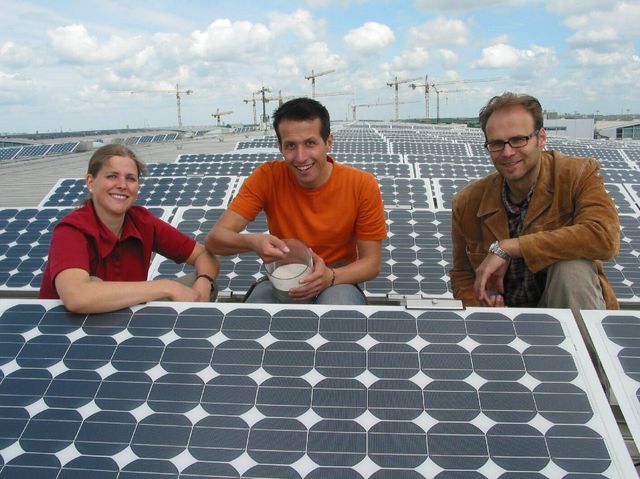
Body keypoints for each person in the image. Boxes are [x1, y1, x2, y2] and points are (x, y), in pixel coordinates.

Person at [205, 97, 387, 304]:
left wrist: (329, 277)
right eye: (291, 146)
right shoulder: (267, 177)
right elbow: (215, 239)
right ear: (280, 147)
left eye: (310, 143)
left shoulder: (361, 185)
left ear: (328, 142)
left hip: (338, 278)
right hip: (285, 276)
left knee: (338, 309)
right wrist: (253, 242)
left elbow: (372, 264)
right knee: (257, 311)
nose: (301, 157)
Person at [450, 92, 620, 313]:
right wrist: (482, 305)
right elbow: (462, 274)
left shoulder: (576, 175)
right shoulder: (468, 202)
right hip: (505, 319)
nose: (507, 152)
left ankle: (583, 337)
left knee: (572, 268)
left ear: (541, 138)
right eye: (497, 143)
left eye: (518, 140)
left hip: (565, 311)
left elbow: (604, 237)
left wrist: (510, 247)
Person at [39, 144, 220, 313]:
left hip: (127, 316)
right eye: (112, 176)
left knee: (203, 285)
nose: (122, 185)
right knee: (93, 284)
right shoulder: (71, 230)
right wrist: (166, 286)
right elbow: (76, 297)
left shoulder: (142, 222)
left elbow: (204, 255)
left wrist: (204, 281)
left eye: (130, 178)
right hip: (68, 327)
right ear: (91, 182)